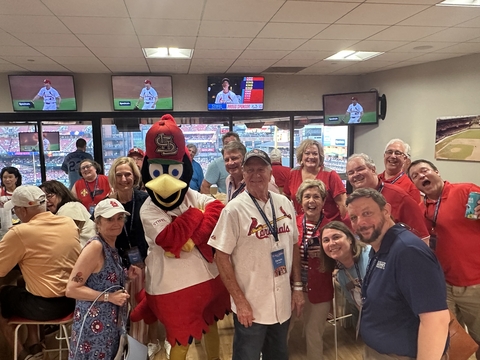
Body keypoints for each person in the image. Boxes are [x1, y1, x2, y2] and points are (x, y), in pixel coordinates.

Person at [130, 114, 230, 360]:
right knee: (181, 339)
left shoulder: (191, 195)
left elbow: (217, 208)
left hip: (208, 279)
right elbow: (170, 238)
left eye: (174, 171)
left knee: (211, 325)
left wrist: (191, 237)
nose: (166, 182)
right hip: (172, 287)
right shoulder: (149, 208)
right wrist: (197, 214)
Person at [209, 149, 304, 360]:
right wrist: (240, 301)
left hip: (282, 301)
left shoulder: (284, 203)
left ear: (270, 173)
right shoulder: (233, 210)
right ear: (243, 175)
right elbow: (220, 256)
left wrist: (297, 287)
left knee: (278, 355)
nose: (255, 174)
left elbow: (294, 244)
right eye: (249, 170)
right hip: (251, 305)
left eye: (261, 169)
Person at [346, 188, 449, 359]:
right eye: (354, 218)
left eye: (367, 213)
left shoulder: (408, 251)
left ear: (386, 211)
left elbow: (435, 320)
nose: (360, 222)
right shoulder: (380, 247)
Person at [408, 159, 480, 358]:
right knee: (449, 342)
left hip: (475, 284)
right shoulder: (422, 210)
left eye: (424, 171)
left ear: (437, 172)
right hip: (443, 285)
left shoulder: (466, 191)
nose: (421, 176)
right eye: (415, 176)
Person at [0, 186, 80, 360]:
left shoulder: (20, 233)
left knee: (4, 294)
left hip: (46, 307)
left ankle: (22, 354)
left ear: (22, 210)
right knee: (22, 282)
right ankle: (34, 342)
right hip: (73, 301)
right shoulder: (67, 222)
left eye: (15, 210)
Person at [66, 198, 139, 360]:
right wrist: (110, 297)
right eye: (110, 219)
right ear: (98, 222)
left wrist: (126, 276)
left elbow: (103, 280)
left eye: (120, 218)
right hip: (94, 325)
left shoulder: (110, 245)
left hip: (108, 323)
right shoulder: (96, 247)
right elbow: (72, 289)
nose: (116, 223)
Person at [292, 179, 335, 360]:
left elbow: (343, 258)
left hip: (320, 287)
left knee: (314, 332)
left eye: (316, 196)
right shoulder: (292, 223)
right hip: (292, 286)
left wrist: (326, 255)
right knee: (283, 328)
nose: (312, 201)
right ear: (300, 201)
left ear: (323, 201)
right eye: (307, 196)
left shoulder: (332, 227)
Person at [346, 153, 429, 243]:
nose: (355, 174)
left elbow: (422, 238)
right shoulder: (353, 202)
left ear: (373, 169)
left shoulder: (399, 196)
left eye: (360, 169)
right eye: (351, 173)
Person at [319, 221, 370, 325]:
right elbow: (357, 305)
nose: (331, 243)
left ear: (350, 239)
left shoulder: (370, 256)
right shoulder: (341, 276)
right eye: (326, 240)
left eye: (336, 237)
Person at [284, 139, 347, 222]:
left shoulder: (330, 175)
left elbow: (343, 203)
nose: (311, 157)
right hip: (302, 226)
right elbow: (285, 199)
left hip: (328, 226)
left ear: (320, 156)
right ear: (301, 156)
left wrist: (343, 228)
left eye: (315, 154)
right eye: (307, 153)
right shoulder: (293, 173)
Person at [40, 180, 96, 247]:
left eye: (49, 196)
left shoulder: (70, 207)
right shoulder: (61, 210)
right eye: (43, 198)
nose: (46, 201)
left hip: (85, 251)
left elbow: (64, 237)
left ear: (61, 193)